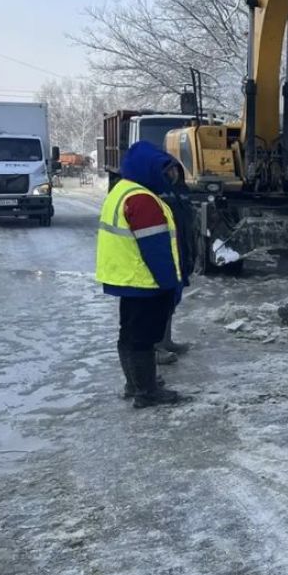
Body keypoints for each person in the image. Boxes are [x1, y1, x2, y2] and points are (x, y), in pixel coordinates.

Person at [95, 141, 185, 409]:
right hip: (145, 281)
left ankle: (135, 385)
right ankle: (146, 392)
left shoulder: (122, 190)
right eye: (165, 171)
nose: (168, 177)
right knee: (143, 339)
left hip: (126, 278)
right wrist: (171, 285)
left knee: (129, 334)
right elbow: (155, 249)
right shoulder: (143, 200)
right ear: (149, 169)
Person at [155, 162, 195, 363]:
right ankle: (156, 347)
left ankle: (166, 341)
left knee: (172, 300)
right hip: (168, 253)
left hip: (181, 250)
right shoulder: (157, 193)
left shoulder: (181, 191)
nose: (173, 173)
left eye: (175, 170)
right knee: (159, 303)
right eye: (169, 170)